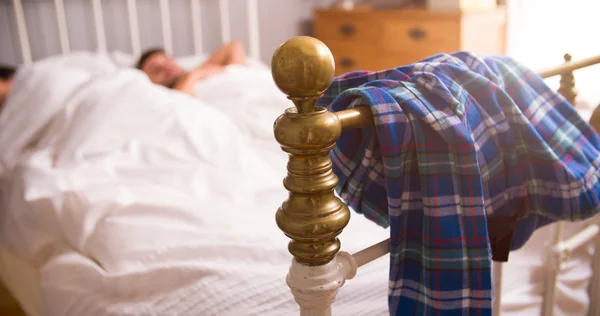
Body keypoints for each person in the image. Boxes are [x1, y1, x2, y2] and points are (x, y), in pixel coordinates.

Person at [136, 40, 247, 95]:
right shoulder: (169, 98)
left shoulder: (201, 70)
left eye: (167, 61)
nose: (167, 67)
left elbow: (234, 46)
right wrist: (194, 75)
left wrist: (199, 71)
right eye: (157, 69)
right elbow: (181, 103)